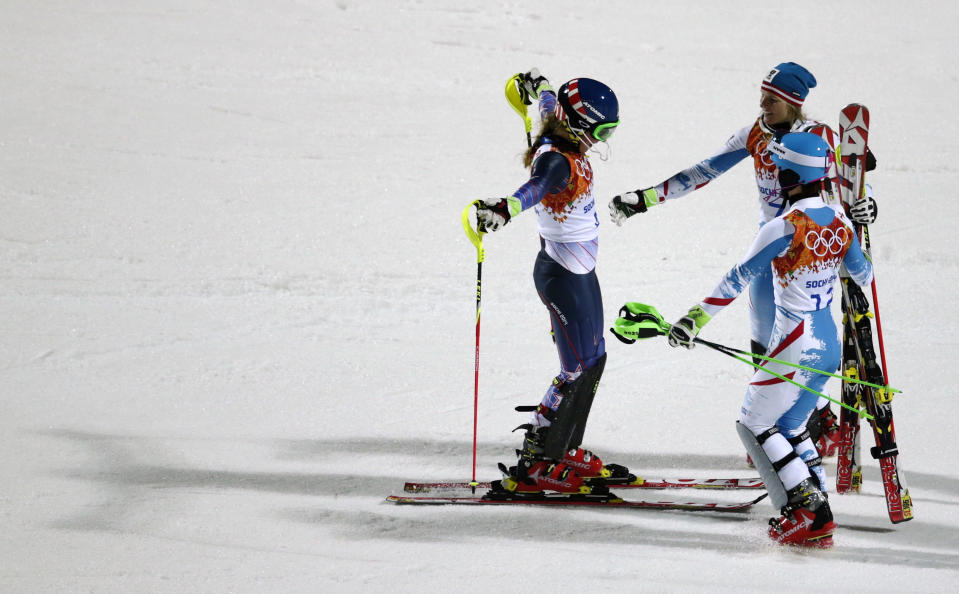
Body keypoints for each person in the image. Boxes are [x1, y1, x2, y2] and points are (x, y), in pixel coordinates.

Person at [607, 62, 878, 457]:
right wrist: (646, 198)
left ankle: (818, 421)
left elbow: (849, 185)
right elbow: (702, 172)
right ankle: (771, 429)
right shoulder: (753, 134)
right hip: (771, 244)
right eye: (763, 96)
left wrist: (867, 208)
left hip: (812, 247)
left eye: (772, 100)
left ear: (793, 103)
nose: (763, 105)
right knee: (765, 336)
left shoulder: (818, 137)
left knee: (805, 336)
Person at [660, 132, 873, 547]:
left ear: (790, 175)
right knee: (792, 427)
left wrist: (693, 319)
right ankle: (817, 507)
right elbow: (865, 276)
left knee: (754, 422)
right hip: (827, 342)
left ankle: (808, 508)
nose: (772, 175)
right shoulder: (841, 221)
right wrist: (860, 230)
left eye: (777, 169)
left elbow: (736, 278)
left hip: (793, 342)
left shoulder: (782, 227)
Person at [475, 69, 621, 495]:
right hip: (560, 275)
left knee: (594, 360)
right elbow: (535, 188)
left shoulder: (559, 129)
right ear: (579, 123)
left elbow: (548, 104)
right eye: (602, 130)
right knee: (574, 368)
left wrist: (539, 87)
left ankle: (565, 449)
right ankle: (537, 460)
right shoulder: (557, 159)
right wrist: (504, 209)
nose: (603, 139)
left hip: (581, 272)